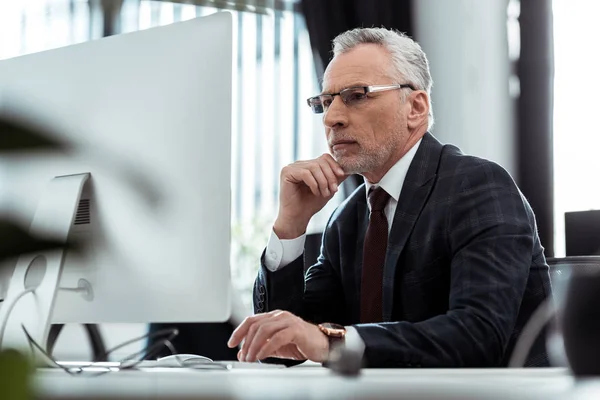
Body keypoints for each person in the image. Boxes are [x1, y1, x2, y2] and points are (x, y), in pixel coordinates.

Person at [227, 27, 552, 368]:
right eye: (325, 102)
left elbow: (478, 336)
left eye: (356, 95)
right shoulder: (346, 221)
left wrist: (330, 342)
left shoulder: (479, 187)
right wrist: (290, 227)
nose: (332, 118)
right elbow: (283, 348)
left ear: (415, 106)